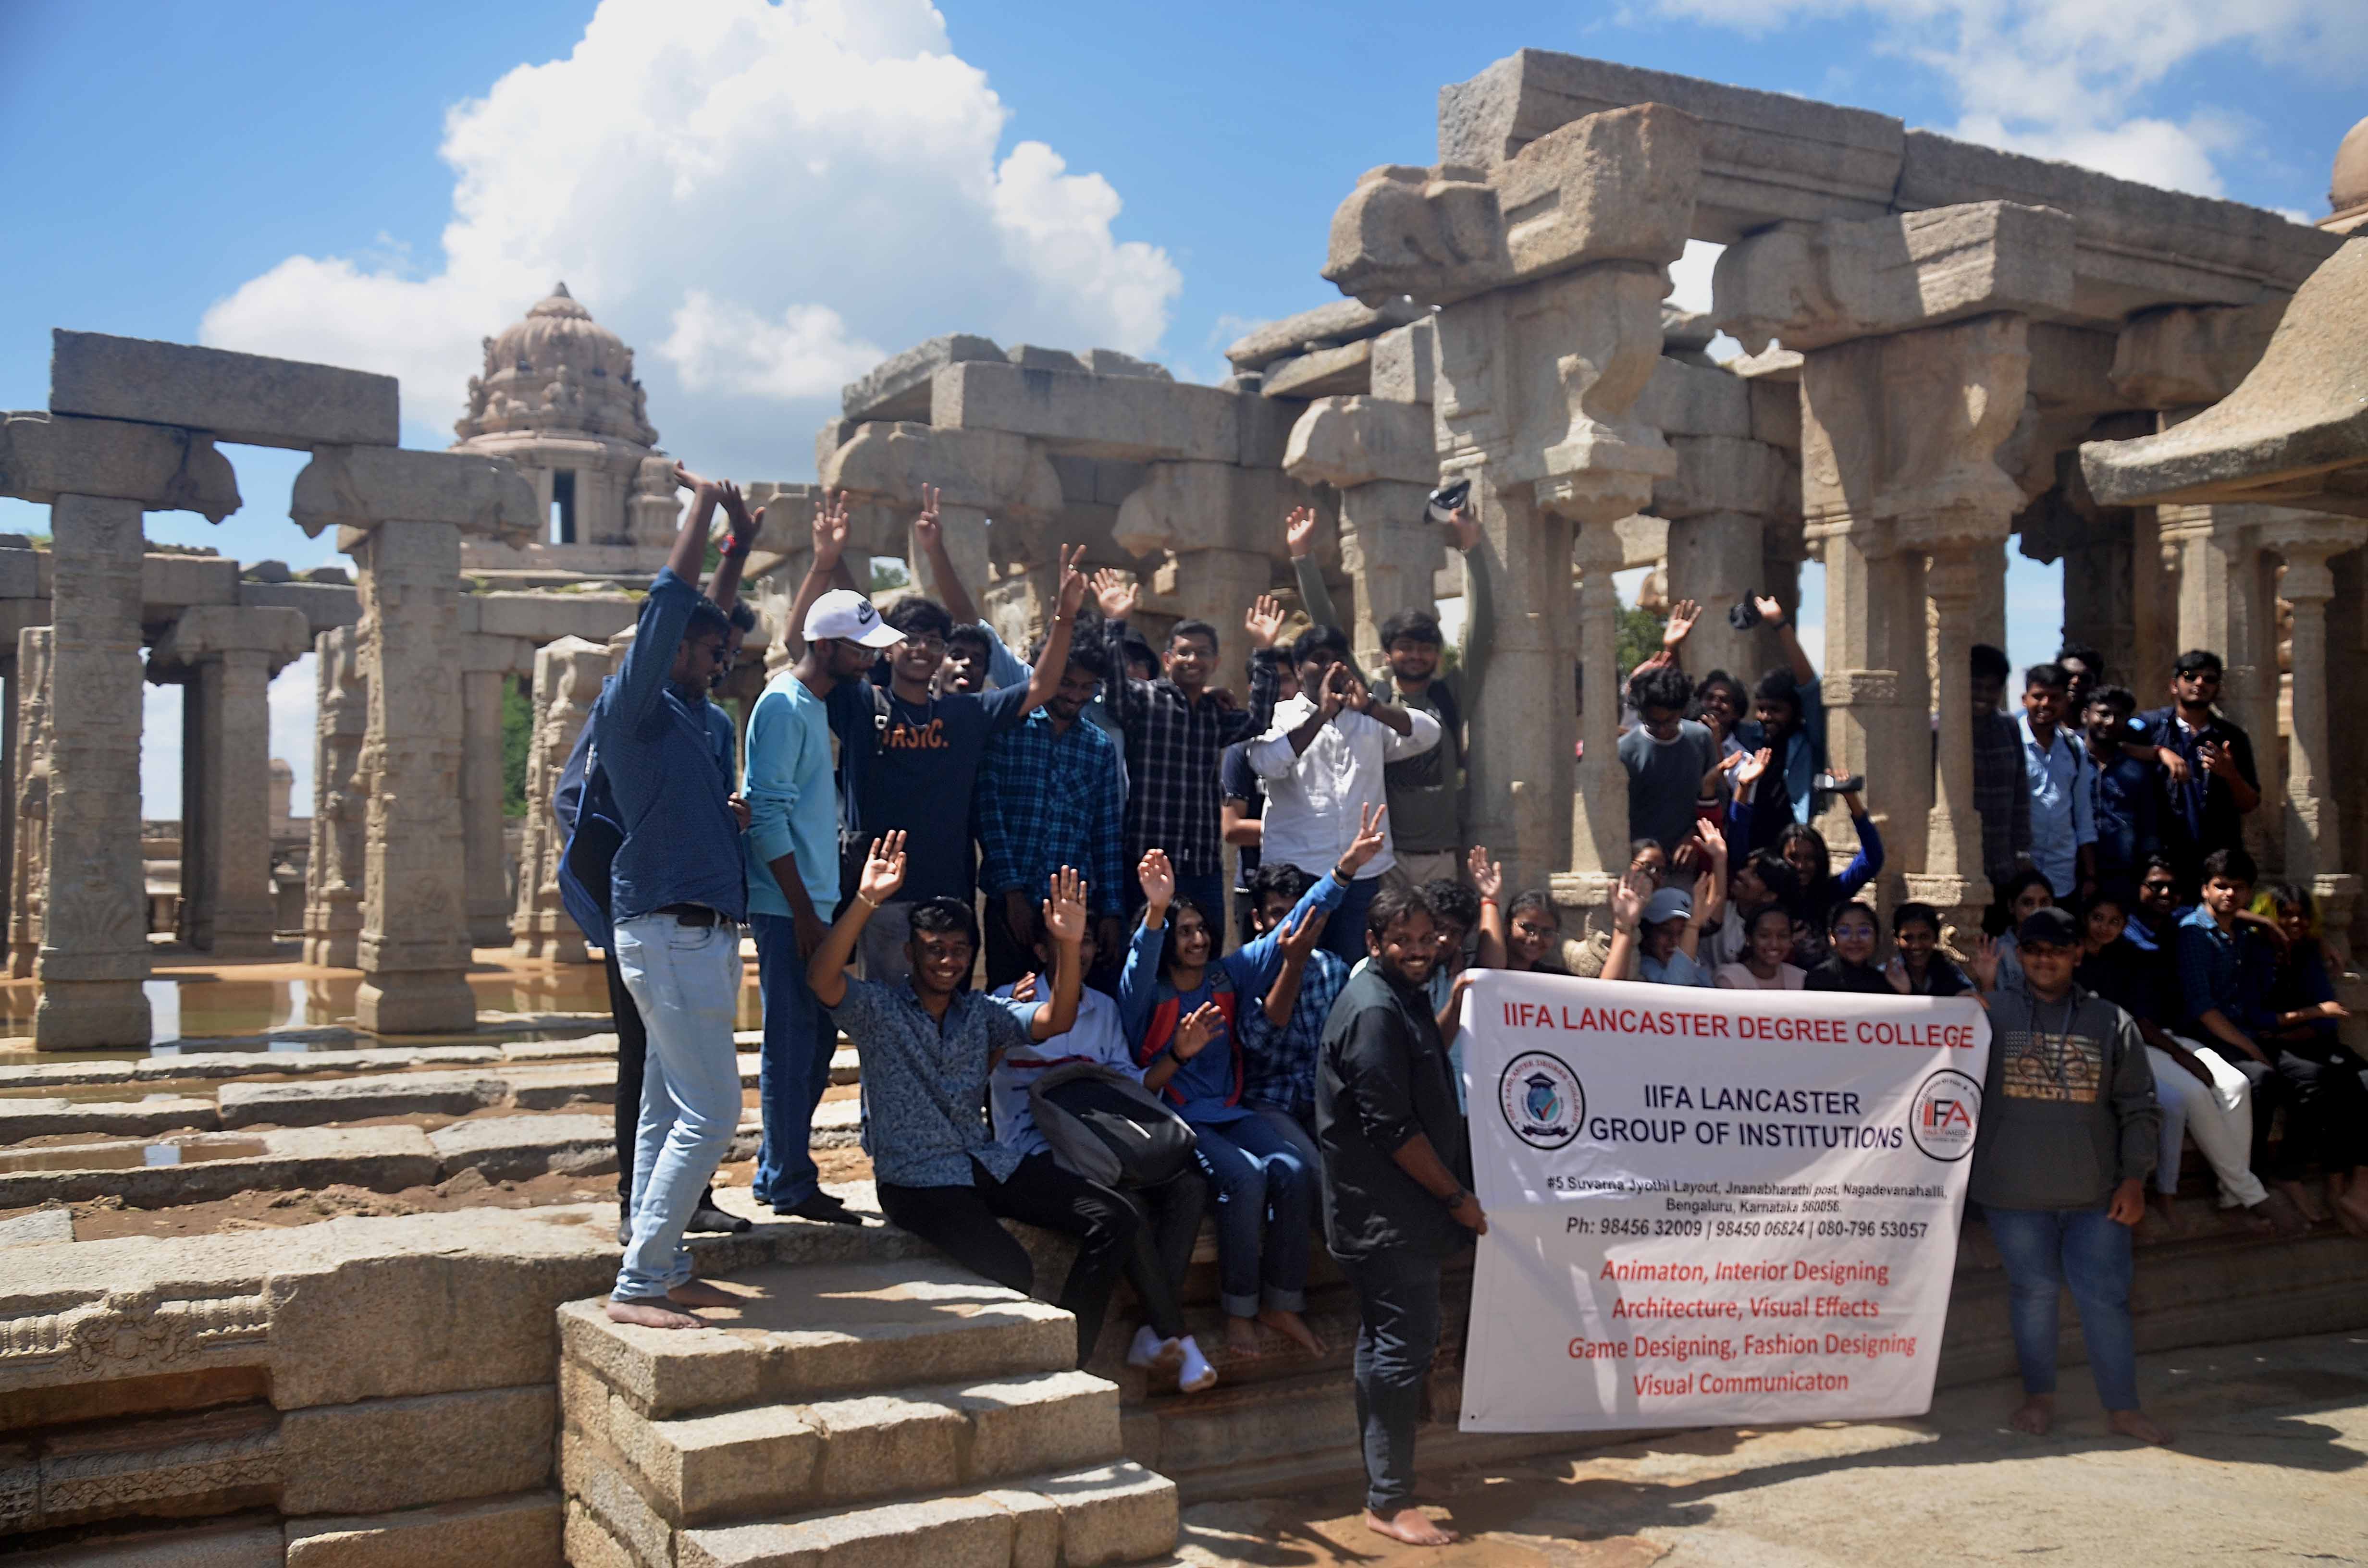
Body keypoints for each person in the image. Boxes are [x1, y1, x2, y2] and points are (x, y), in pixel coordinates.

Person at [812, 840, 1137, 1367]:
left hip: (983, 1163)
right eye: (934, 948)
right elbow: (821, 979)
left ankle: (1072, 1359)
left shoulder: (983, 1014)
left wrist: (1068, 944)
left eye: (959, 949)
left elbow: (1056, 1019)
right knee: (1013, 1268)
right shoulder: (879, 1011)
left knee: (1114, 1218)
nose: (947, 960)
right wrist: (866, 901)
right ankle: (1038, 1368)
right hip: (915, 1182)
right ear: (909, 954)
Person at [1122, 812, 1386, 1358]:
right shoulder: (1147, 993)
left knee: (1290, 1171)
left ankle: (1279, 1303)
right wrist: (1155, 911)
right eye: (1184, 930)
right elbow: (1137, 972)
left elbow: (1294, 928)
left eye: (1200, 928)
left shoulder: (1227, 974)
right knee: (1244, 1179)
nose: (1195, 938)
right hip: (1180, 1117)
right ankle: (1238, 1312)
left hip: (1231, 1112)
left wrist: (1343, 870)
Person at [594, 467, 759, 1330]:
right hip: (664, 928)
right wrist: (700, 511)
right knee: (715, 1109)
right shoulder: (637, 709)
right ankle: (640, 1282)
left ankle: (654, 1257)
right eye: (708, 652)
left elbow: (705, 619)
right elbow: (671, 608)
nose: (721, 659)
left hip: (700, 931)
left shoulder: (702, 718)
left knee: (669, 1103)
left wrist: (739, 548)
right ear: (670, 657)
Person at [821, 495, 1090, 980]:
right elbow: (838, 630)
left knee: (950, 1026)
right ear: (887, 645)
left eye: (932, 641)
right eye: (909, 637)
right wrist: (830, 560)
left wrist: (1064, 619)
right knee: (889, 1026)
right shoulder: (863, 705)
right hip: (881, 898)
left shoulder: (965, 713)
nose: (921, 649)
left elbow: (1040, 687)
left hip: (950, 895)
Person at [742, 491, 909, 1225]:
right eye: (864, 645)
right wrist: (808, 914)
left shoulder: (814, 705)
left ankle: (779, 1170)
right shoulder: (782, 704)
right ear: (831, 646)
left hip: (809, 902)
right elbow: (765, 814)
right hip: (789, 908)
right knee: (793, 1045)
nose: (874, 655)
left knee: (809, 1044)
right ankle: (788, 1180)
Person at [990, 912, 1217, 1392]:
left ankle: (1155, 1330)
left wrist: (1177, 1055)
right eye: (1067, 939)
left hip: (1105, 1141)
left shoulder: (1104, 1008)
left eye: (1087, 940)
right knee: (1125, 1206)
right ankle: (1176, 1335)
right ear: (1039, 949)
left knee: (1191, 1187)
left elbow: (1130, 1088)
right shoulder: (1009, 1003)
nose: (1081, 949)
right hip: (1037, 1147)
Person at [1318, 883, 1481, 1548]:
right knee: (1403, 1346)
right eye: (1403, 942)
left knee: (1386, 1345)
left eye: (1427, 939)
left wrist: (1457, 1002)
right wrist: (1457, 1198)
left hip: (1398, 1214)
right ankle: (1389, 1500)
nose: (1419, 951)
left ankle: (1389, 1480)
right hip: (1387, 1216)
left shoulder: (1404, 998)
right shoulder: (1373, 1011)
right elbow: (1392, 1128)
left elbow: (1423, 1059)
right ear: (1374, 943)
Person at [1970, 905, 2171, 1445]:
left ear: (2075, 954)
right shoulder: (1988, 1014)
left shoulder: (2109, 1021)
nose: (2043, 961)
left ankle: (2122, 1409)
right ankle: (2039, 1397)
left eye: (2056, 950)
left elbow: (2139, 1107)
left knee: (2104, 1298)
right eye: (2033, 950)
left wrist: (2134, 1178)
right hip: (2012, 1194)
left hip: (2095, 1196)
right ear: (2019, 954)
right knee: (2032, 1294)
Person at [1288, 502, 1491, 891]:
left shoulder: (1451, 696)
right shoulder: (1370, 695)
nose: (1417, 655)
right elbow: (1329, 628)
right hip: (1382, 858)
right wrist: (1302, 558)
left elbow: (1481, 632)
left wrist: (1471, 546)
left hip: (1441, 857)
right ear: (1388, 654)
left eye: (1427, 647)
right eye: (1406, 646)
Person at [2075, 887, 2288, 1237]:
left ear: (2125, 925)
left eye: (2114, 921)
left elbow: (2144, 1018)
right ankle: (2250, 1193)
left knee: (2237, 1085)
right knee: (2191, 1096)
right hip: (2129, 1048)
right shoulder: (2075, 957)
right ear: (2085, 919)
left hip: (2160, 1037)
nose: (2104, 927)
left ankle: (2232, 1196)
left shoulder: (2129, 956)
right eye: (2098, 918)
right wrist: (2181, 1056)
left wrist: (2180, 1051)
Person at [1094, 570, 1288, 922]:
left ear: (1215, 663)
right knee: (1145, 953)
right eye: (1184, 653)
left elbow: (1258, 720)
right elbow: (1115, 692)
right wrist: (1115, 623)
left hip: (1202, 864)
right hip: (1148, 861)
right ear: (1167, 661)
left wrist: (1263, 650)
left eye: (1202, 654)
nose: (1193, 660)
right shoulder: (1145, 700)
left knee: (1205, 955)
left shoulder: (1215, 714)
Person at [1248, 625, 1441, 963]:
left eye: (1339, 660)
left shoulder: (1368, 717)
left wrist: (1372, 708)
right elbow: (1267, 764)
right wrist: (1322, 714)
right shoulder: (1280, 716)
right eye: (1319, 660)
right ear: (1298, 669)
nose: (1330, 668)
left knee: (1354, 965)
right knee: (1292, 969)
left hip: (1361, 874)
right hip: (1298, 870)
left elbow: (1429, 734)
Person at [975, 631, 1127, 988]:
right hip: (1009, 904)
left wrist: (1111, 912)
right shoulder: (1007, 729)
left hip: (1072, 908)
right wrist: (1012, 894)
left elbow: (1105, 833)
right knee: (1010, 1002)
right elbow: (989, 813)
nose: (1075, 696)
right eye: (1067, 683)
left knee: (1070, 1004)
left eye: (1086, 687)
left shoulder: (1099, 746)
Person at [2251, 882, 2368, 1236]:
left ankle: (2354, 1186)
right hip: (2275, 1047)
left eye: (2301, 915)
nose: (2295, 922)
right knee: (2321, 1081)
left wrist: (2303, 1022)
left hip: (2306, 1040)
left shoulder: (2306, 953)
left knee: (2363, 1081)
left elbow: (2329, 1019)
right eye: (2285, 915)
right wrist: (2309, 1015)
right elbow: (2259, 1020)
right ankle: (2292, 1174)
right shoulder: (2255, 953)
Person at [2127, 650, 2260, 890]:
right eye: (2191, 676)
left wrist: (2231, 775)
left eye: (2209, 679)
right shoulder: (2149, 726)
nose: (2200, 683)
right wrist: (2159, 753)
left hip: (2216, 861)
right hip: (2161, 858)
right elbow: (2116, 747)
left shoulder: (2232, 738)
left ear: (2218, 687)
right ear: (2174, 685)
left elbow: (2249, 803)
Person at [1729, 754, 1880, 967]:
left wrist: (1850, 798)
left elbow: (1872, 860)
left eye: (1810, 859)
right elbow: (1737, 848)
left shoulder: (1830, 893)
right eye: (1794, 858)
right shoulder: (1765, 893)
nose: (1802, 866)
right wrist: (1744, 788)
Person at [1238, 863, 1349, 1149]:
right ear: (1258, 920)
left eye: (1298, 912)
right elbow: (1258, 1042)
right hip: (1269, 1100)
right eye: (1278, 914)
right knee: (1309, 1172)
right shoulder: (1244, 971)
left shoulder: (1332, 970)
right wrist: (1293, 966)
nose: (1291, 925)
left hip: (1322, 1099)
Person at [1730, 595, 1826, 856]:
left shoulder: (1808, 742)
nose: (1765, 717)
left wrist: (1780, 625)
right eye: (1761, 709)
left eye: (1775, 710)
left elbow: (1810, 688)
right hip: (1751, 850)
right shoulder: (1751, 739)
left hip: (1791, 852)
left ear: (1795, 712)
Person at [1621, 663, 1716, 871]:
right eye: (1654, 723)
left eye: (1670, 721)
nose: (1663, 730)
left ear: (1683, 711)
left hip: (1689, 864)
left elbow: (1715, 798)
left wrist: (1694, 835)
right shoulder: (1625, 751)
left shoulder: (1701, 739)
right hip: (1641, 866)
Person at [2019, 662, 2096, 900]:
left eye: (2054, 698)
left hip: (2062, 873)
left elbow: (2083, 814)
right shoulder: (2010, 742)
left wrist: (2091, 875)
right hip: (2020, 871)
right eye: (2038, 696)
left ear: (2066, 701)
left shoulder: (2074, 748)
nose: (2045, 704)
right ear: (2025, 700)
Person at [1970, 643, 2032, 891]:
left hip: (2004, 863)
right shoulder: (1938, 731)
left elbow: (2021, 791)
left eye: (1992, 689)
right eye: (1977, 687)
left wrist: (2022, 851)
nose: (1984, 696)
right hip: (1963, 863)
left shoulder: (2009, 727)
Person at [2084, 686, 2158, 890]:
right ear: (2085, 715)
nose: (2111, 722)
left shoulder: (2137, 770)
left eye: (2119, 716)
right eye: (2104, 714)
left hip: (2125, 874)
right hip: (2074, 871)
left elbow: (2148, 824)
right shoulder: (2070, 762)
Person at [1885, 902, 1972, 997]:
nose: (1916, 946)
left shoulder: (1951, 973)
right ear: (1896, 939)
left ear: (1936, 938)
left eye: (1924, 937)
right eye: (1908, 938)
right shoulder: (1884, 976)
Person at [1805, 902, 1893, 993]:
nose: (1855, 939)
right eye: (1844, 931)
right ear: (1832, 936)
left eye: (1864, 931)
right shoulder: (1818, 980)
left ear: (1877, 936)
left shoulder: (1883, 983)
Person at [1715, 903, 1806, 991]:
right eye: (1764, 936)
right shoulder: (1730, 979)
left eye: (1783, 936)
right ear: (1749, 939)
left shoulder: (1799, 978)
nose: (1774, 944)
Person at [2056, 643, 2104, 712]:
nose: (2075, 681)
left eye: (2084, 678)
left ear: (2097, 683)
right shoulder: (2040, 721)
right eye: (2068, 675)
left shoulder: (2113, 721)